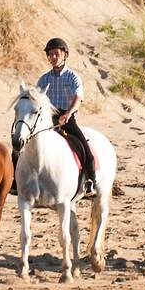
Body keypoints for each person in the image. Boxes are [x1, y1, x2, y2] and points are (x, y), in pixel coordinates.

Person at [37, 36, 95, 197]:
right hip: (48, 119)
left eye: (56, 53)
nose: (53, 57)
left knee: (85, 150)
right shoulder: (43, 79)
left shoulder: (72, 77)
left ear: (64, 54)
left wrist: (68, 113)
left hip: (67, 118)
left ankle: (90, 182)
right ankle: (18, 181)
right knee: (26, 145)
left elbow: (78, 98)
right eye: (50, 54)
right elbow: (37, 99)